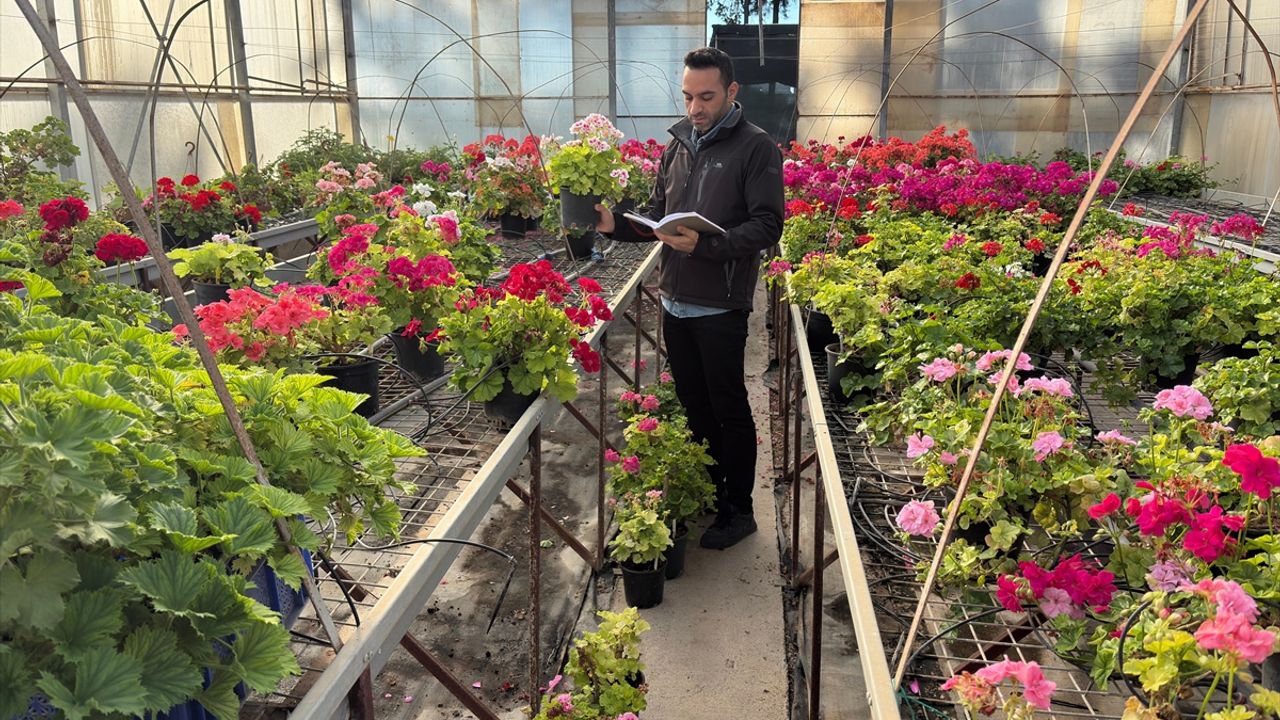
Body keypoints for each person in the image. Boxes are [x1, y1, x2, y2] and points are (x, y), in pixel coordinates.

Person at [595, 47, 784, 550]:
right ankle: (710, 490)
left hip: (720, 304)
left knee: (728, 408)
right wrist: (614, 225)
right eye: (687, 97)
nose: (695, 108)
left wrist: (707, 246)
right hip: (674, 300)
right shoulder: (678, 145)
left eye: (706, 97)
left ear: (731, 92)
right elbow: (659, 217)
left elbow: (768, 225)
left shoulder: (755, 147)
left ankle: (739, 510)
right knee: (694, 405)